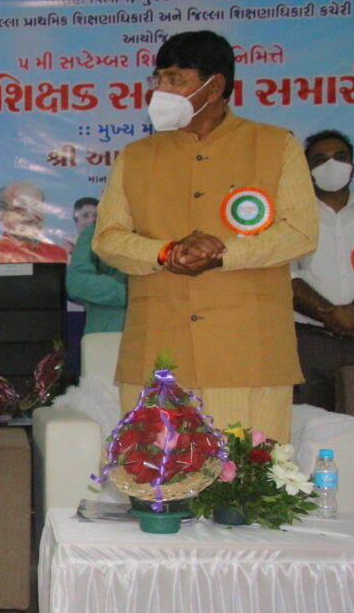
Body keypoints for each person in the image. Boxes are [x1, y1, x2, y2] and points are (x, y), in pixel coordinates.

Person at [93, 30, 317, 442]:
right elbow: (107, 239)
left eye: (175, 79)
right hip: (159, 350)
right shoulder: (135, 156)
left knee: (247, 478)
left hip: (249, 353)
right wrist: (166, 252)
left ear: (214, 87)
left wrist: (225, 254)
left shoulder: (276, 145)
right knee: (157, 476)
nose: (160, 90)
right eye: (158, 78)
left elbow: (300, 233)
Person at [291, 129, 354, 411]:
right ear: (308, 171)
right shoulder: (292, 218)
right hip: (310, 342)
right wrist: (331, 315)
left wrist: (353, 314)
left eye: (340, 157)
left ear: (352, 166)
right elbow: (287, 277)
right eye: (320, 159)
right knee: (312, 425)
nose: (332, 165)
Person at [66, 196, 126, 334]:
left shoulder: (165, 232)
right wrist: (134, 293)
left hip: (160, 333)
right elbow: (77, 284)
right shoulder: (93, 233)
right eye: (85, 215)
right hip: (107, 335)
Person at [0, 180, 69, 264]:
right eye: (20, 209)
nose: (31, 216)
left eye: (36, 208)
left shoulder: (59, 253)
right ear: (1, 214)